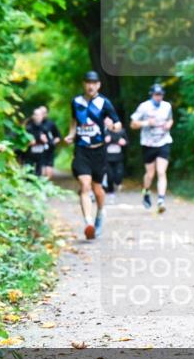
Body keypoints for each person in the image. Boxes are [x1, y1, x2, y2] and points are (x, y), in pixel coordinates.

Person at [65, 71, 122, 239]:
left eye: (94, 83)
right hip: (82, 150)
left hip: (99, 151)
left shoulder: (104, 103)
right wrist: (71, 134)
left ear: (98, 85)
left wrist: (112, 126)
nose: (91, 86)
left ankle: (99, 214)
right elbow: (74, 121)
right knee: (85, 185)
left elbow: (118, 124)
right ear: (84, 84)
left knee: (98, 189)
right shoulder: (76, 102)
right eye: (88, 82)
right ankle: (88, 223)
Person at [130, 84, 173, 213]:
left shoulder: (167, 106)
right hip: (148, 144)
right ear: (152, 95)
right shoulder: (144, 107)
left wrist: (168, 125)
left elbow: (171, 120)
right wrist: (147, 123)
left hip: (163, 142)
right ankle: (146, 191)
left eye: (160, 95)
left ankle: (161, 200)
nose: (159, 97)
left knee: (161, 171)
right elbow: (133, 124)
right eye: (156, 95)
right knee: (150, 174)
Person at [103, 126, 128, 201]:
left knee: (119, 175)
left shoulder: (122, 132)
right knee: (110, 176)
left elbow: (126, 142)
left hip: (118, 158)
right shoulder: (104, 132)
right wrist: (105, 141)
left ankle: (118, 183)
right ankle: (111, 192)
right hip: (107, 158)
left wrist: (124, 142)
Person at [37, 105, 61, 181]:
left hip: (48, 148)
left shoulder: (51, 124)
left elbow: (58, 136)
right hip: (36, 149)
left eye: (44, 113)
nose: (42, 114)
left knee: (48, 166)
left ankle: (46, 183)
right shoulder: (33, 123)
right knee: (39, 167)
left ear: (46, 114)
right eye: (40, 112)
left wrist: (53, 143)